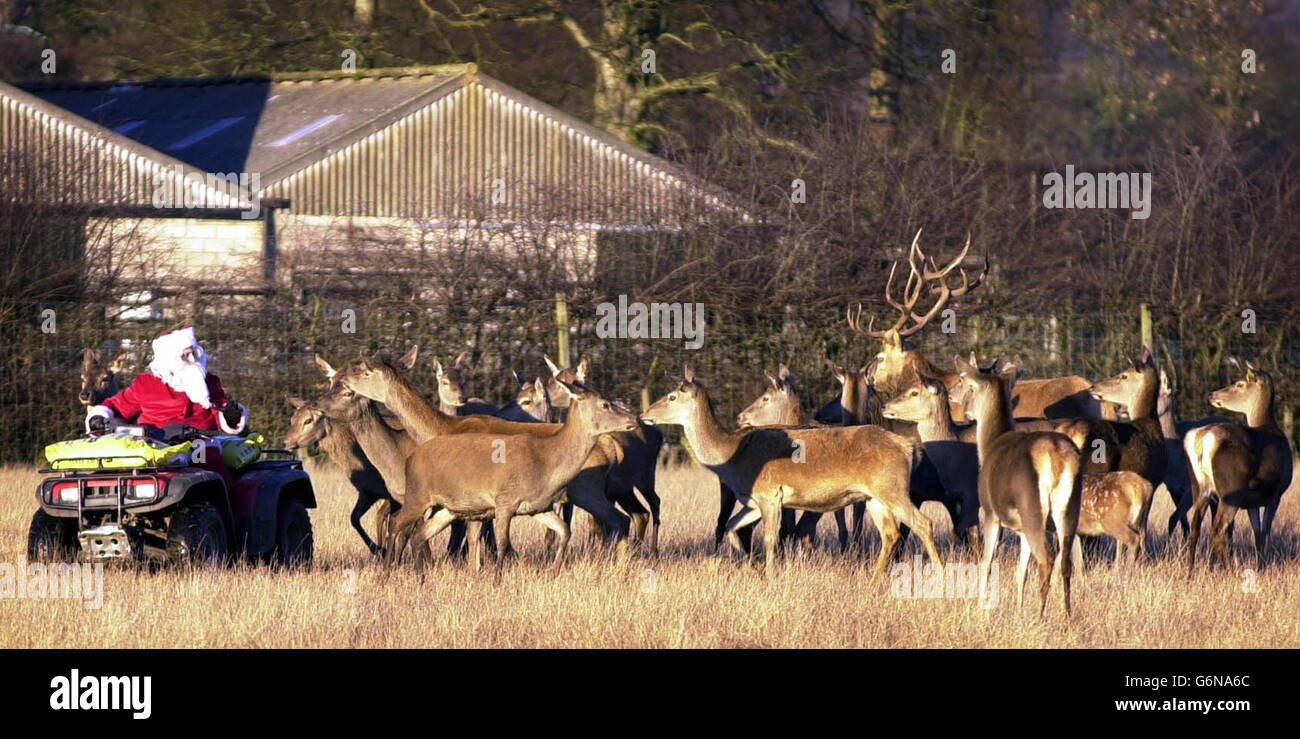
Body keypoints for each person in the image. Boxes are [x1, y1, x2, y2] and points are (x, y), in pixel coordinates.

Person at [85, 325, 247, 436]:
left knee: (212, 469)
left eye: (194, 353)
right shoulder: (146, 383)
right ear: (170, 359)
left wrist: (231, 417)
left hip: (200, 446)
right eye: (185, 355)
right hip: (154, 446)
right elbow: (116, 406)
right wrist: (98, 419)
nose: (193, 359)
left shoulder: (209, 382)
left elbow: (220, 411)